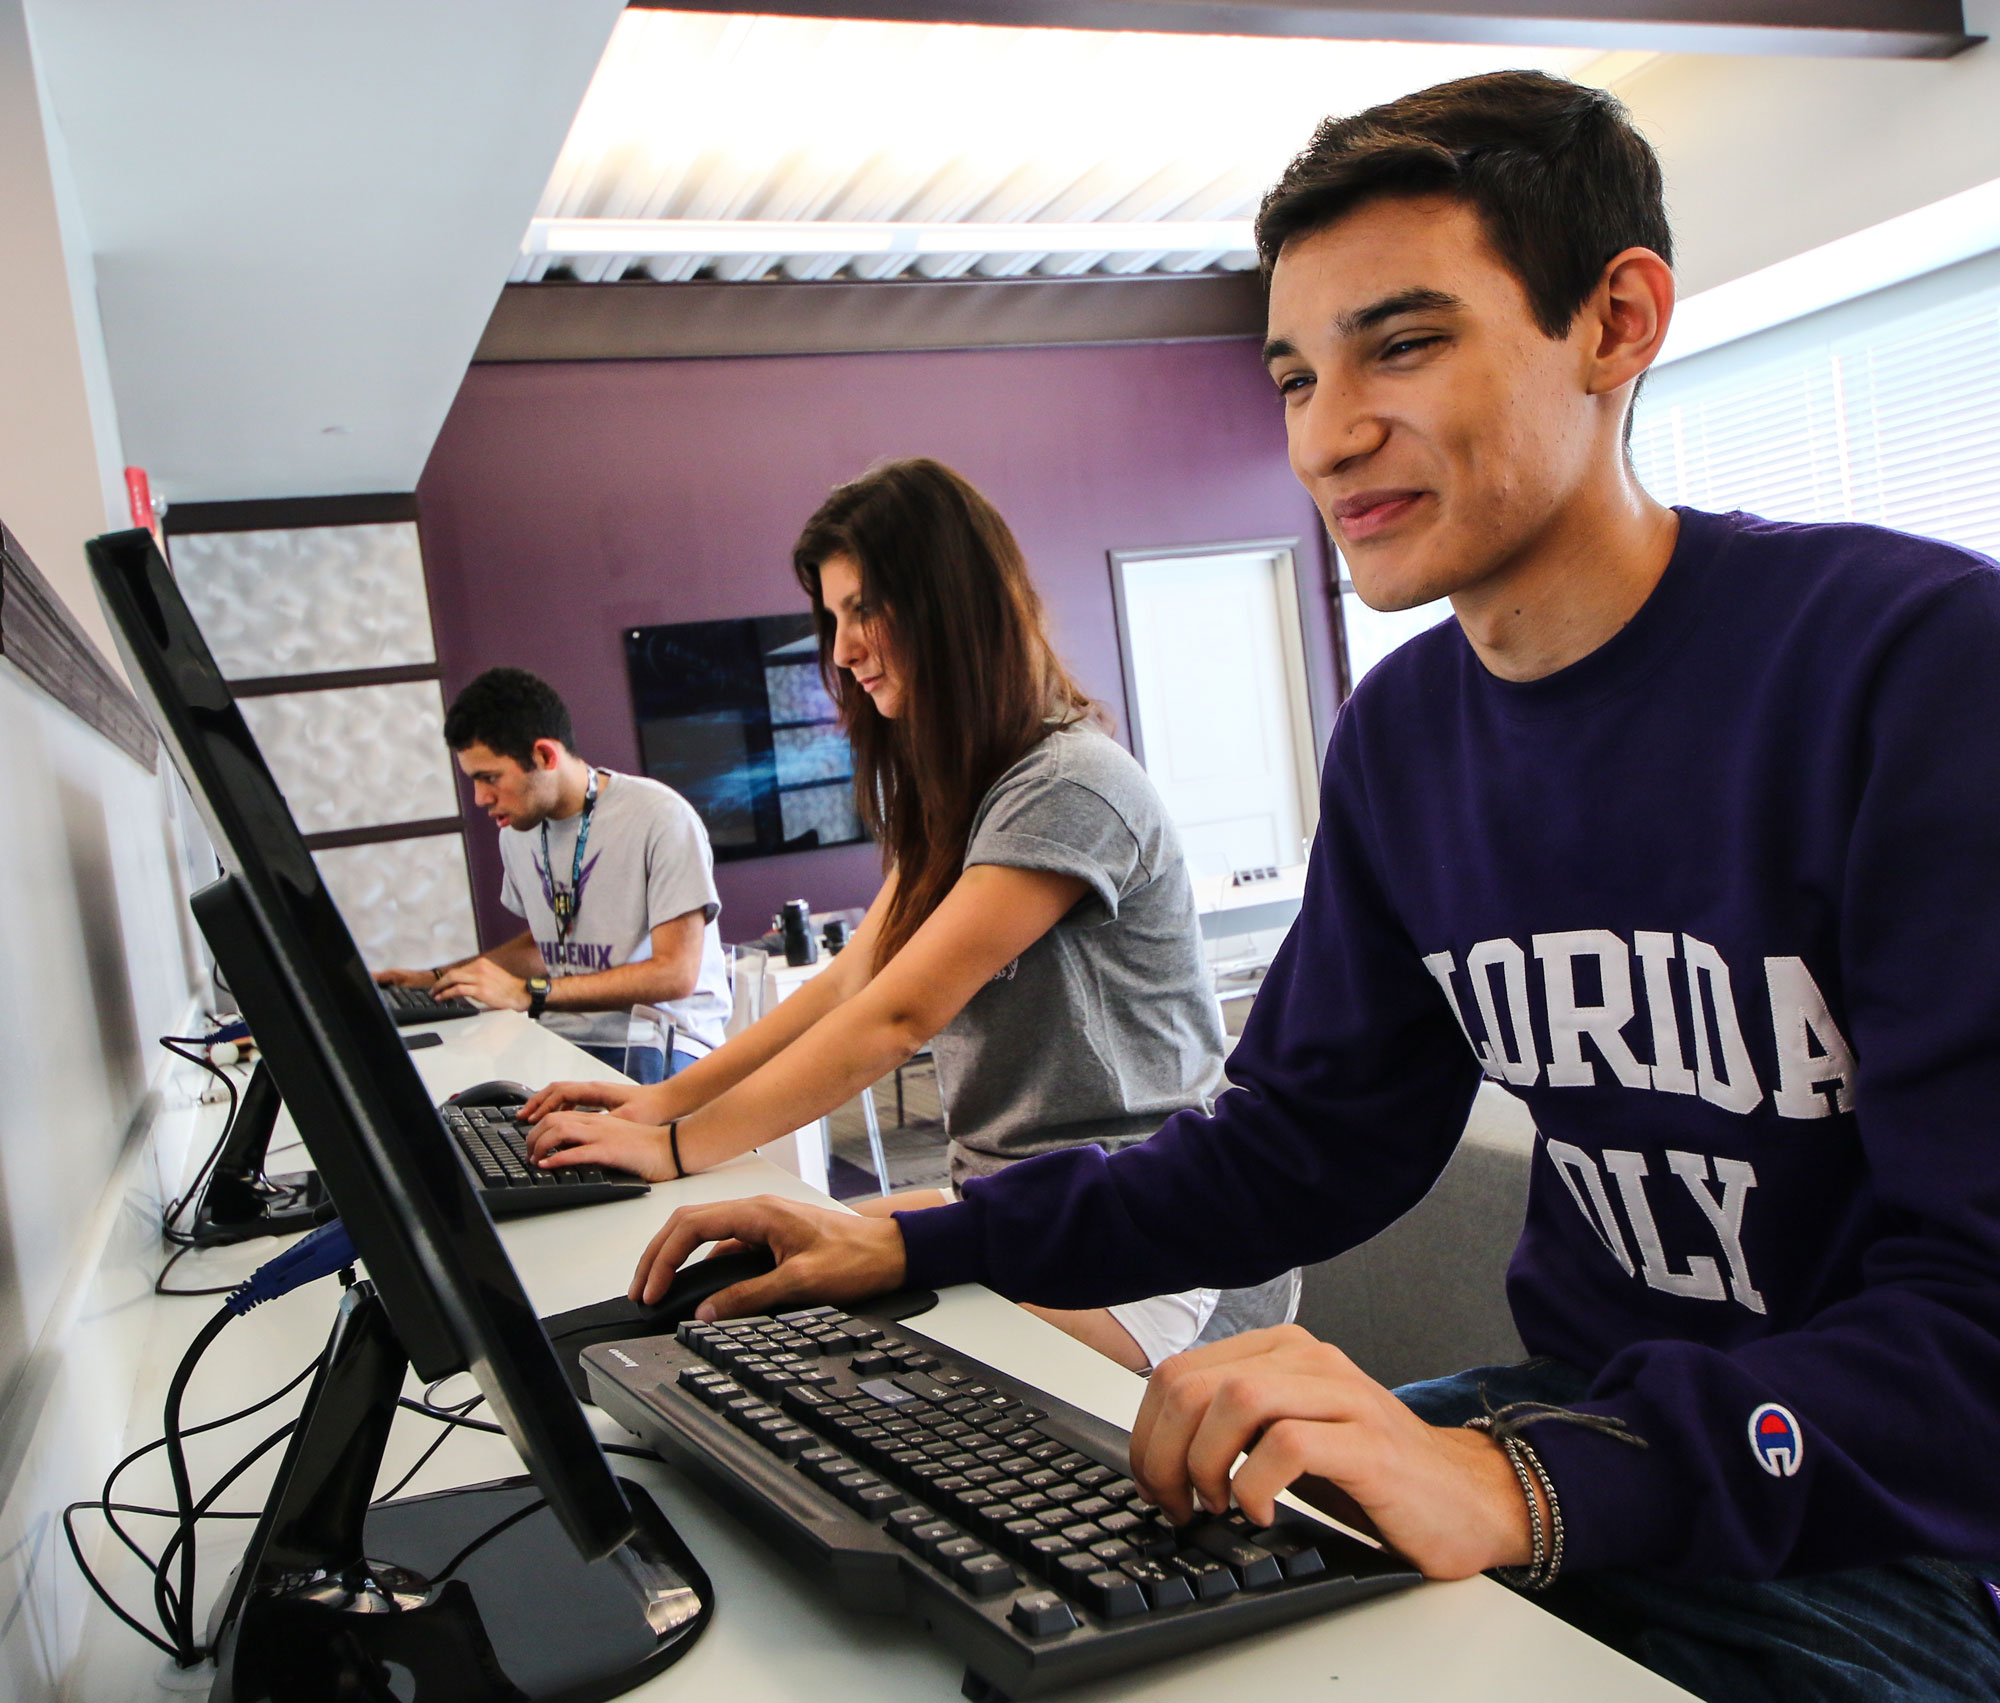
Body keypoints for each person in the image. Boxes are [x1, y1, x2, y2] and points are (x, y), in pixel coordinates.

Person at [607, 73, 2000, 1703]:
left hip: (1888, 1521)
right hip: (1584, 1406)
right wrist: (912, 1240)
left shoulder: (1918, 672)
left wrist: (1519, 1480)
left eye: (1402, 346)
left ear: (1616, 323)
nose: (1328, 435)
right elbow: (1302, 1144)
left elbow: (1977, 1331)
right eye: (1295, 376)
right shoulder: (1407, 735)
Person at [520, 459, 1298, 1372]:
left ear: (951, 605)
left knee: (822, 1350)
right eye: (834, 618)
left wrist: (678, 1147)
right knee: (748, 1282)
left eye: (863, 610)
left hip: (1147, 1237)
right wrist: (661, 1109)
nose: (842, 650)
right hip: (1017, 1206)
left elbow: (899, 1015)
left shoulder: (1071, 784)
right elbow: (856, 980)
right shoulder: (963, 798)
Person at [376, 666, 730, 1080]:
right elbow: (545, 946)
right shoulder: (518, 830)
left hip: (656, 1039)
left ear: (545, 755)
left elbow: (675, 974)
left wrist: (529, 994)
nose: (480, 798)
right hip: (560, 1031)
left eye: (489, 778)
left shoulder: (660, 817)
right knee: (446, 1094)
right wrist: (436, 979)